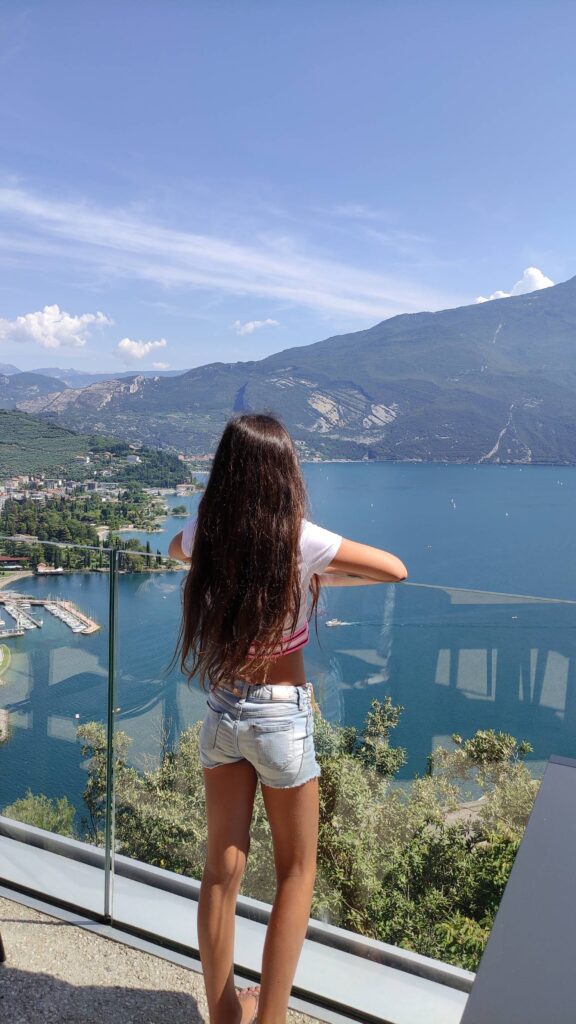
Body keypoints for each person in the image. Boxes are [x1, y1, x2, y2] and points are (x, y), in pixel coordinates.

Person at [169, 412, 408, 1024]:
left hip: (222, 707)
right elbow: (393, 568)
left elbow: (175, 550)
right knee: (297, 871)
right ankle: (271, 1019)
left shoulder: (210, 532)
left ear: (226, 471)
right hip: (281, 717)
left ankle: (225, 1014)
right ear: (284, 473)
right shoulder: (297, 539)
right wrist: (314, 570)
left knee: (221, 868)